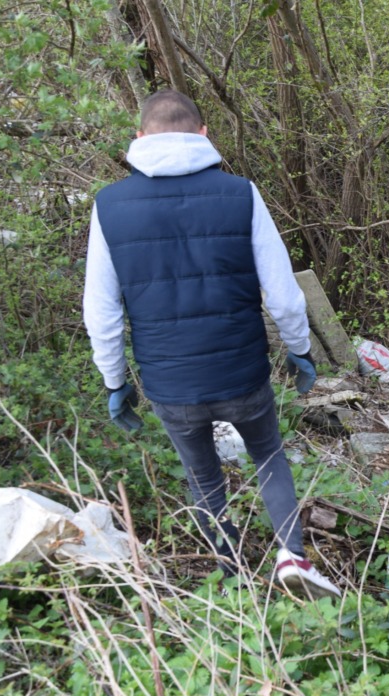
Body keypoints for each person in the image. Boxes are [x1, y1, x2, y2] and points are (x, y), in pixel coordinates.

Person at [83, 89, 341, 601]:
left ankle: (229, 575)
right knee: (268, 454)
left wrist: (116, 383)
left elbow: (102, 314)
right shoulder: (240, 193)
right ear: (203, 134)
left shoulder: (109, 206)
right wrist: (300, 352)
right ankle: (291, 556)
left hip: (169, 383)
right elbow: (285, 295)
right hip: (241, 371)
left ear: (139, 138)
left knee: (202, 476)